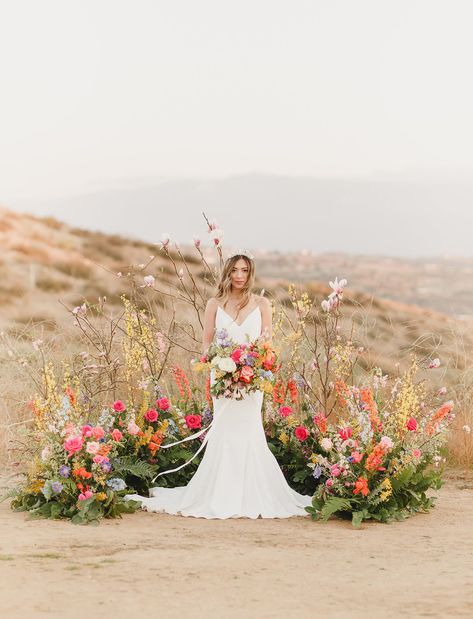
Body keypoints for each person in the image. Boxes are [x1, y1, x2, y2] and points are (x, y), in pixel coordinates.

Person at [124, 251, 313, 519]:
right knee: (225, 430)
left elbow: (267, 343)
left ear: (251, 273)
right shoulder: (214, 303)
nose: (239, 275)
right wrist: (219, 363)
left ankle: (253, 493)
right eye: (234, 270)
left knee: (249, 429)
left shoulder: (262, 304)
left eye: (244, 270)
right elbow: (206, 343)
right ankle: (218, 493)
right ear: (227, 272)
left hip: (253, 378)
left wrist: (255, 364)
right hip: (223, 377)